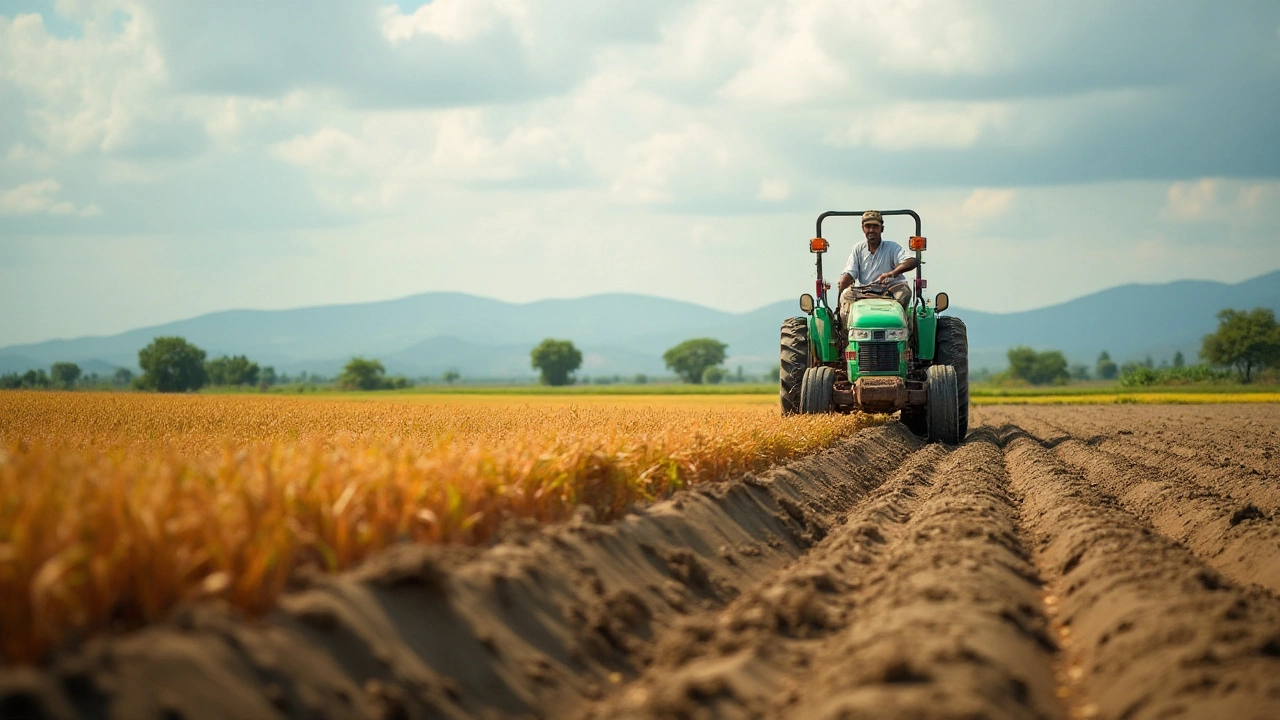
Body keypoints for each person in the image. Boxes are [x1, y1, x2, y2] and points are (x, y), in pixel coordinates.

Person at [836, 210, 919, 325]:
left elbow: (911, 261)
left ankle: (904, 327)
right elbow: (850, 272)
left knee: (905, 292)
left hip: (890, 290)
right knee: (846, 296)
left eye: (875, 226)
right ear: (863, 229)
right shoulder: (858, 249)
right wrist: (843, 283)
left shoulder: (892, 247)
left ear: (882, 228)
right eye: (868, 226)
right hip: (864, 291)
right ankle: (848, 332)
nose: (871, 230)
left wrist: (892, 273)